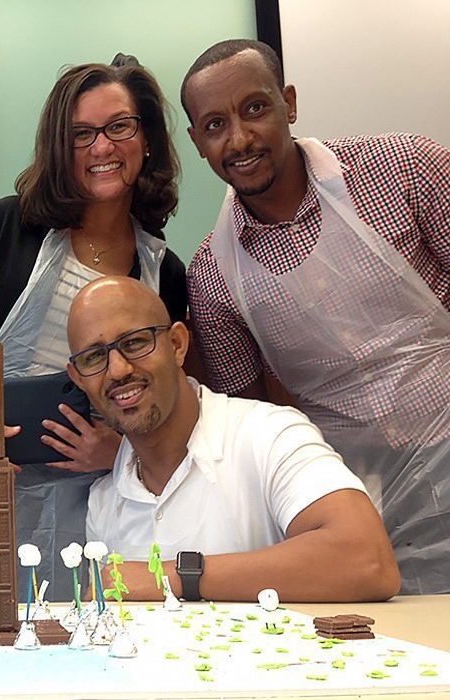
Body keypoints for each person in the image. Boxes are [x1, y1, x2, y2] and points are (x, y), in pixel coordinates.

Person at [180, 39, 450, 594]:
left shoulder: (406, 169)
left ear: (289, 103)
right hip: (364, 498)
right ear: (196, 143)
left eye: (254, 108)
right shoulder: (212, 274)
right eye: (214, 125)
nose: (239, 139)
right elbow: (253, 419)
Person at [0, 61, 188, 600]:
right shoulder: (11, 226)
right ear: (57, 148)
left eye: (120, 126)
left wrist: (119, 451)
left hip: (97, 494)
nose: (102, 148)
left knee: (81, 630)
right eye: (80, 135)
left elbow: (171, 401)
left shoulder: (166, 272)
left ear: (147, 140)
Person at [67, 277, 401, 602]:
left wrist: (171, 577)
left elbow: (367, 560)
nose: (118, 369)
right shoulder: (104, 505)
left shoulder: (269, 436)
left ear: (177, 345)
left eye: (135, 342)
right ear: (78, 379)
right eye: (93, 358)